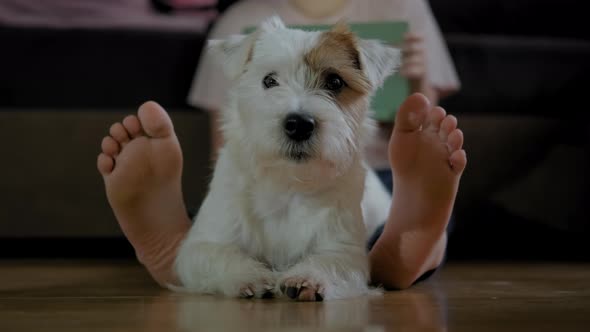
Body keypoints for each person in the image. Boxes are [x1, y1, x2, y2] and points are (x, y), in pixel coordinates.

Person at [97, 0, 465, 290]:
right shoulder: (241, 20)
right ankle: (199, 255)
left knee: (394, 217)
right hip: (254, 173)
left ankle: (399, 245)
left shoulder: (401, 5)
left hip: (374, 170)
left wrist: (418, 84)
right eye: (271, 81)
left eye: (334, 84)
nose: (299, 110)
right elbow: (223, 137)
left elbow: (424, 117)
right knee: (234, 215)